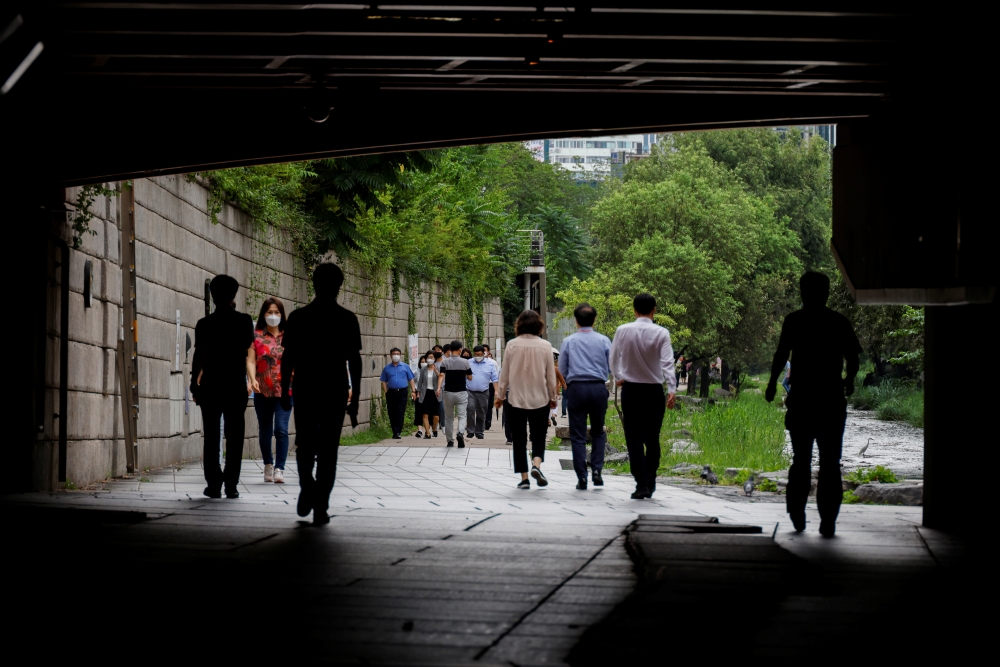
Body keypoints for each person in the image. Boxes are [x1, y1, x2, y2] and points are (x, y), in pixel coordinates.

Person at [766, 272, 861, 538]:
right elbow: (853, 359)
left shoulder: (794, 321)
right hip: (831, 400)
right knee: (831, 462)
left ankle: (797, 513)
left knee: (801, 459)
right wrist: (848, 380)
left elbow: (781, 354)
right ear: (827, 292)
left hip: (802, 400)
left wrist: (772, 383)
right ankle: (828, 519)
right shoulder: (838, 322)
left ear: (802, 292)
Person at [280, 263, 362, 525]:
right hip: (334, 390)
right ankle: (321, 504)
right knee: (329, 449)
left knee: (304, 443)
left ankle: (307, 487)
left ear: (313, 283)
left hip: (305, 388)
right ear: (340, 286)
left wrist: (284, 389)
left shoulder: (298, 318)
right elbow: (355, 361)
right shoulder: (347, 319)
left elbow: (288, 359)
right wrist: (355, 397)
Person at [190, 274, 254, 499]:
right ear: (234, 295)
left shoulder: (204, 324)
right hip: (235, 386)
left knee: (211, 437)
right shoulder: (244, 322)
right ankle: (232, 485)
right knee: (235, 437)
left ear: (212, 296)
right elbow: (247, 344)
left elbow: (199, 355)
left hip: (211, 386)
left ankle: (214, 484)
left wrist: (193, 384)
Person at [609, 293, 676, 500]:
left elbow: (613, 358)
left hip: (631, 391)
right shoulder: (662, 333)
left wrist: (618, 377)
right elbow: (667, 363)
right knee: (652, 438)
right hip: (654, 392)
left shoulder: (622, 331)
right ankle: (651, 478)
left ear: (634, 310)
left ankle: (641, 483)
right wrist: (672, 388)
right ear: (654, 310)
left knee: (634, 439)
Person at [494, 310, 557, 489]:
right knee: (539, 436)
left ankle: (524, 478)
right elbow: (550, 375)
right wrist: (553, 397)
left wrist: (500, 396)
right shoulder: (545, 346)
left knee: (519, 438)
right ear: (538, 325)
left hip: (516, 399)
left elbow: (504, 373)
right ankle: (536, 465)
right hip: (541, 399)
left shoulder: (512, 345)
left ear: (519, 325)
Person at [559, 303, 612, 490]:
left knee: (578, 435)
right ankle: (597, 470)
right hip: (598, 388)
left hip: (577, 389)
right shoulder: (604, 340)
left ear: (576, 321)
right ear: (595, 319)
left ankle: (582, 476)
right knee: (598, 431)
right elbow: (611, 366)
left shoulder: (569, 342)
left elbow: (563, 369)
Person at [247, 296, 291, 484]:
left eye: (276, 312)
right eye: (270, 312)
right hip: (262, 389)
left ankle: (280, 468)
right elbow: (249, 360)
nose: (273, 316)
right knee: (265, 429)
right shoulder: (256, 337)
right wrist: (251, 378)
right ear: (263, 314)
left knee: (281, 429)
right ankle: (268, 464)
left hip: (285, 391)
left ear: (282, 314)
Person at [437, 340, 473, 447]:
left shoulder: (444, 362)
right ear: (460, 349)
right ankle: (460, 433)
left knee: (449, 418)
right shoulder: (465, 362)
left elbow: (441, 375)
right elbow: (470, 377)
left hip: (448, 392)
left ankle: (450, 440)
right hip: (461, 392)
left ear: (450, 350)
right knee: (462, 415)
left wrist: (438, 388)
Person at [380, 346, 416, 439]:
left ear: (400, 355)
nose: (396, 356)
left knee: (400, 411)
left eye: (398, 354)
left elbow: (411, 379)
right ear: (390, 355)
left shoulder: (405, 366)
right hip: (391, 392)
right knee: (392, 412)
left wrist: (413, 390)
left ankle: (398, 432)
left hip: (402, 392)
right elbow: (383, 380)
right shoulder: (387, 368)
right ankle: (394, 431)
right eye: (394, 354)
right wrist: (386, 391)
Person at [466, 345, 498, 439]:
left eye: (480, 354)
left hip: (483, 391)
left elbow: (495, 379)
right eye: (476, 355)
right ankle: (470, 430)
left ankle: (479, 431)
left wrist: (496, 391)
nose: (478, 356)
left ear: (484, 354)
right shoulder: (469, 362)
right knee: (470, 409)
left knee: (481, 412)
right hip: (470, 391)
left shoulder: (490, 364)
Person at [414, 352, 440, 439]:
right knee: (425, 414)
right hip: (425, 393)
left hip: (435, 393)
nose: (430, 358)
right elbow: (420, 382)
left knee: (436, 416)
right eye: (428, 357)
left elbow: (441, 378)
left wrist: (436, 371)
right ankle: (427, 433)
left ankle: (434, 428)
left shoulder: (438, 367)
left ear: (435, 358)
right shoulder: (423, 369)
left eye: (431, 357)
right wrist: (418, 392)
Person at [482, 344, 497, 430]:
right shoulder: (476, 362)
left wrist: (496, 389)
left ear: (488, 352)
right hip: (482, 384)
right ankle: (482, 421)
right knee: (481, 404)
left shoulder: (493, 362)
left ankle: (488, 421)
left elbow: (496, 376)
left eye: (485, 350)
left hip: (490, 384)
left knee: (489, 405)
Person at [551, 349, 567, 426]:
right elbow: (561, 379)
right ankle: (553, 415)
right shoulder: (555, 369)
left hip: (544, 390)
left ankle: (547, 419)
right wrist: (564, 386)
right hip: (554, 390)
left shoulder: (542, 369)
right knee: (555, 404)